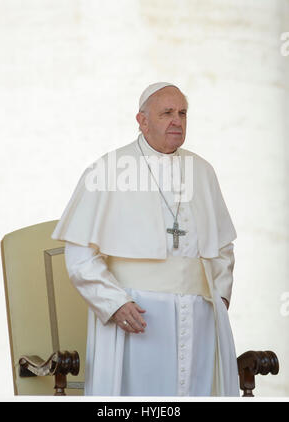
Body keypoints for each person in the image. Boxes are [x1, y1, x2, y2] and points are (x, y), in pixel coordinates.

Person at [51, 82, 240, 396]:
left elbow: (222, 248)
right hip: (135, 318)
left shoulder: (203, 172)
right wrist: (114, 303)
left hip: (199, 322)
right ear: (142, 120)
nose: (177, 121)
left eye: (182, 113)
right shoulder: (107, 169)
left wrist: (218, 301)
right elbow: (80, 253)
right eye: (167, 113)